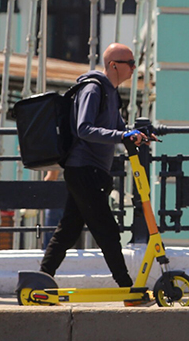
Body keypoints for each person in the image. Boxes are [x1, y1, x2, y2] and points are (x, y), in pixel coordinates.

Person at [39, 43, 154, 306]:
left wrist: (139, 136)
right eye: (130, 63)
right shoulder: (94, 88)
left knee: (68, 230)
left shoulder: (112, 93)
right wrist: (121, 135)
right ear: (114, 65)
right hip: (83, 170)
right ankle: (128, 290)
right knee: (107, 230)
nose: (135, 68)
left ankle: (40, 278)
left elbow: (119, 127)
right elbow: (84, 128)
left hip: (94, 172)